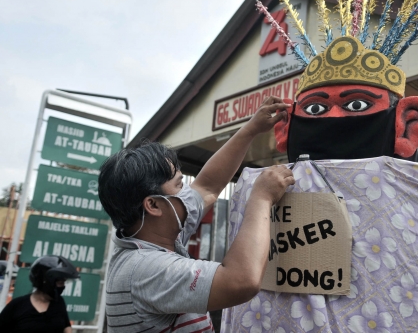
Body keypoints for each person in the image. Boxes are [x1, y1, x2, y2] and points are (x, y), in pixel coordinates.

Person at [221, 0, 418, 332]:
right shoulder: (259, 187)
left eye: (356, 104)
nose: (335, 119)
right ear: (285, 128)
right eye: (315, 110)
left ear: (408, 123)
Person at [98, 96, 295, 332]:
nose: (188, 193)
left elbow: (208, 186)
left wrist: (251, 129)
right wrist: (261, 198)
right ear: (153, 205)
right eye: (179, 185)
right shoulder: (145, 269)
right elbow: (241, 280)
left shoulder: (152, 238)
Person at [0, 255, 79, 333]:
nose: (63, 286)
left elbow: (66, 326)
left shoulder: (59, 302)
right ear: (47, 281)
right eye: (60, 283)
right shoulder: (17, 305)